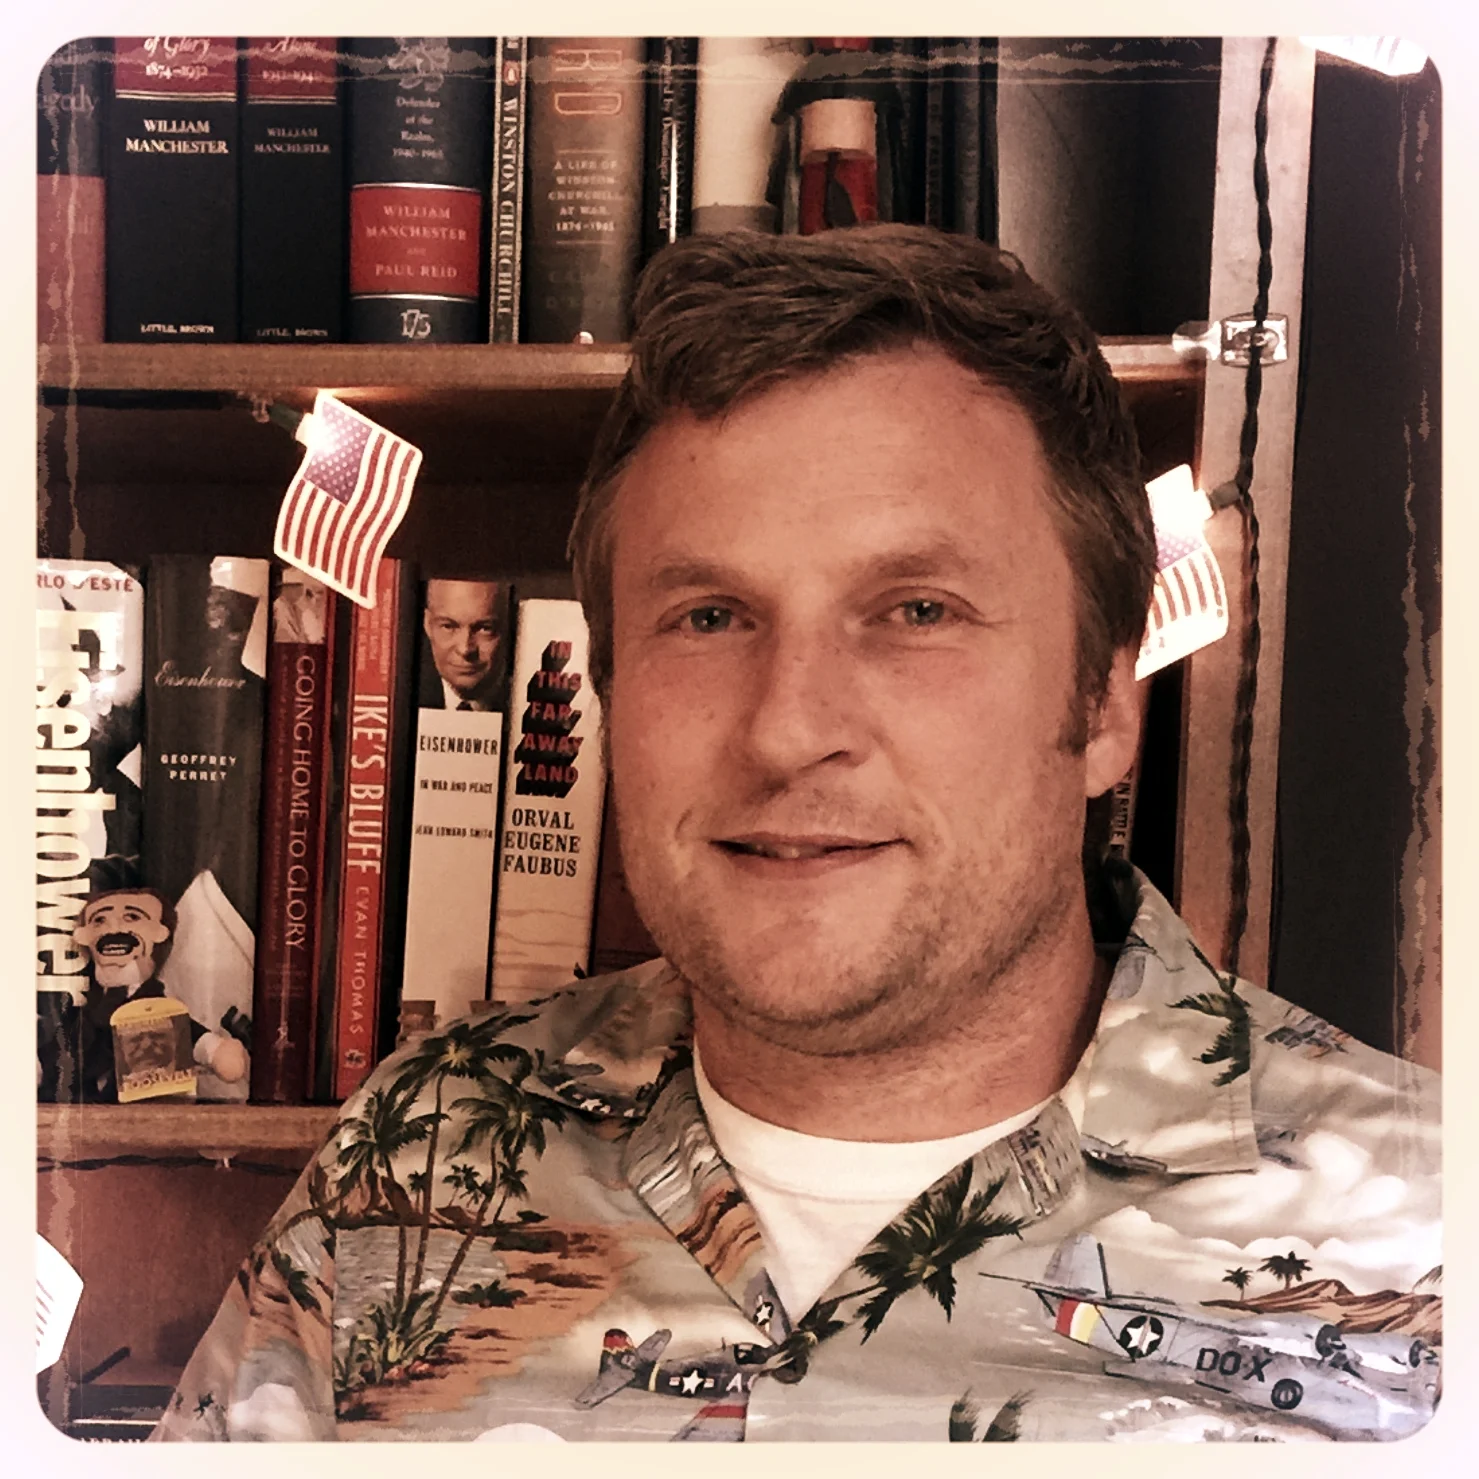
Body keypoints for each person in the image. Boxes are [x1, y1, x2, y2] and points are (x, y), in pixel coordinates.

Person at [153, 227, 1439, 1443]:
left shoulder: (1432, 1228)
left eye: (917, 610)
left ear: (1105, 704)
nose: (787, 729)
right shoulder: (420, 1144)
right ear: (608, 688)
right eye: (709, 618)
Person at [417, 577, 506, 710]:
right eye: (448, 626)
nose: (465, 649)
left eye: (484, 628)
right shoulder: (403, 698)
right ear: (427, 624)